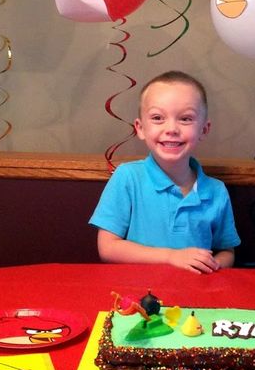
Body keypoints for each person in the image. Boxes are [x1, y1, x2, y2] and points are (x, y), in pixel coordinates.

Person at [90, 70, 240, 274]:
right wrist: (171, 257)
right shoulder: (127, 177)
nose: (172, 128)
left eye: (186, 119)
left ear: (204, 129)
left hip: (196, 299)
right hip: (137, 299)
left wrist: (212, 265)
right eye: (158, 118)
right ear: (140, 128)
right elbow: (108, 248)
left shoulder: (216, 190)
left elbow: (227, 251)